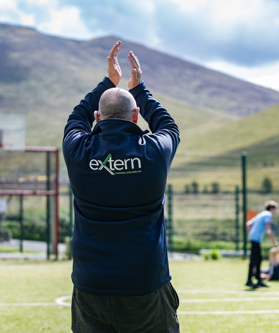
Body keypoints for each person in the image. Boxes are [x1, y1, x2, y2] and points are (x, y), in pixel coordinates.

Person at [63, 41, 180, 332]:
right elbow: (169, 126)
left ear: (97, 118)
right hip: (146, 282)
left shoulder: (78, 150)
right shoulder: (153, 152)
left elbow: (76, 117)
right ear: (136, 116)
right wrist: (138, 88)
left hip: (91, 285)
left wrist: (108, 82)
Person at [245, 200, 279, 288]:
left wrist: (250, 235)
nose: (276, 212)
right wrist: (274, 242)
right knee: (254, 260)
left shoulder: (261, 214)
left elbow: (248, 224)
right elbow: (268, 229)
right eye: (276, 209)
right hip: (255, 239)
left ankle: (258, 279)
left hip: (254, 238)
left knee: (258, 259)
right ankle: (249, 280)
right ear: (271, 209)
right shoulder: (268, 215)